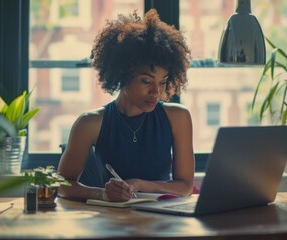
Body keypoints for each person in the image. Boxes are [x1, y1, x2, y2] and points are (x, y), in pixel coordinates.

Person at [58, 9, 194, 202]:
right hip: (112, 219)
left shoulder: (178, 118)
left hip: (163, 220)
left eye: (162, 82)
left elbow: (185, 187)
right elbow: (61, 184)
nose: (156, 92)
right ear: (123, 75)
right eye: (146, 81)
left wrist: (138, 184)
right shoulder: (89, 123)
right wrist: (102, 193)